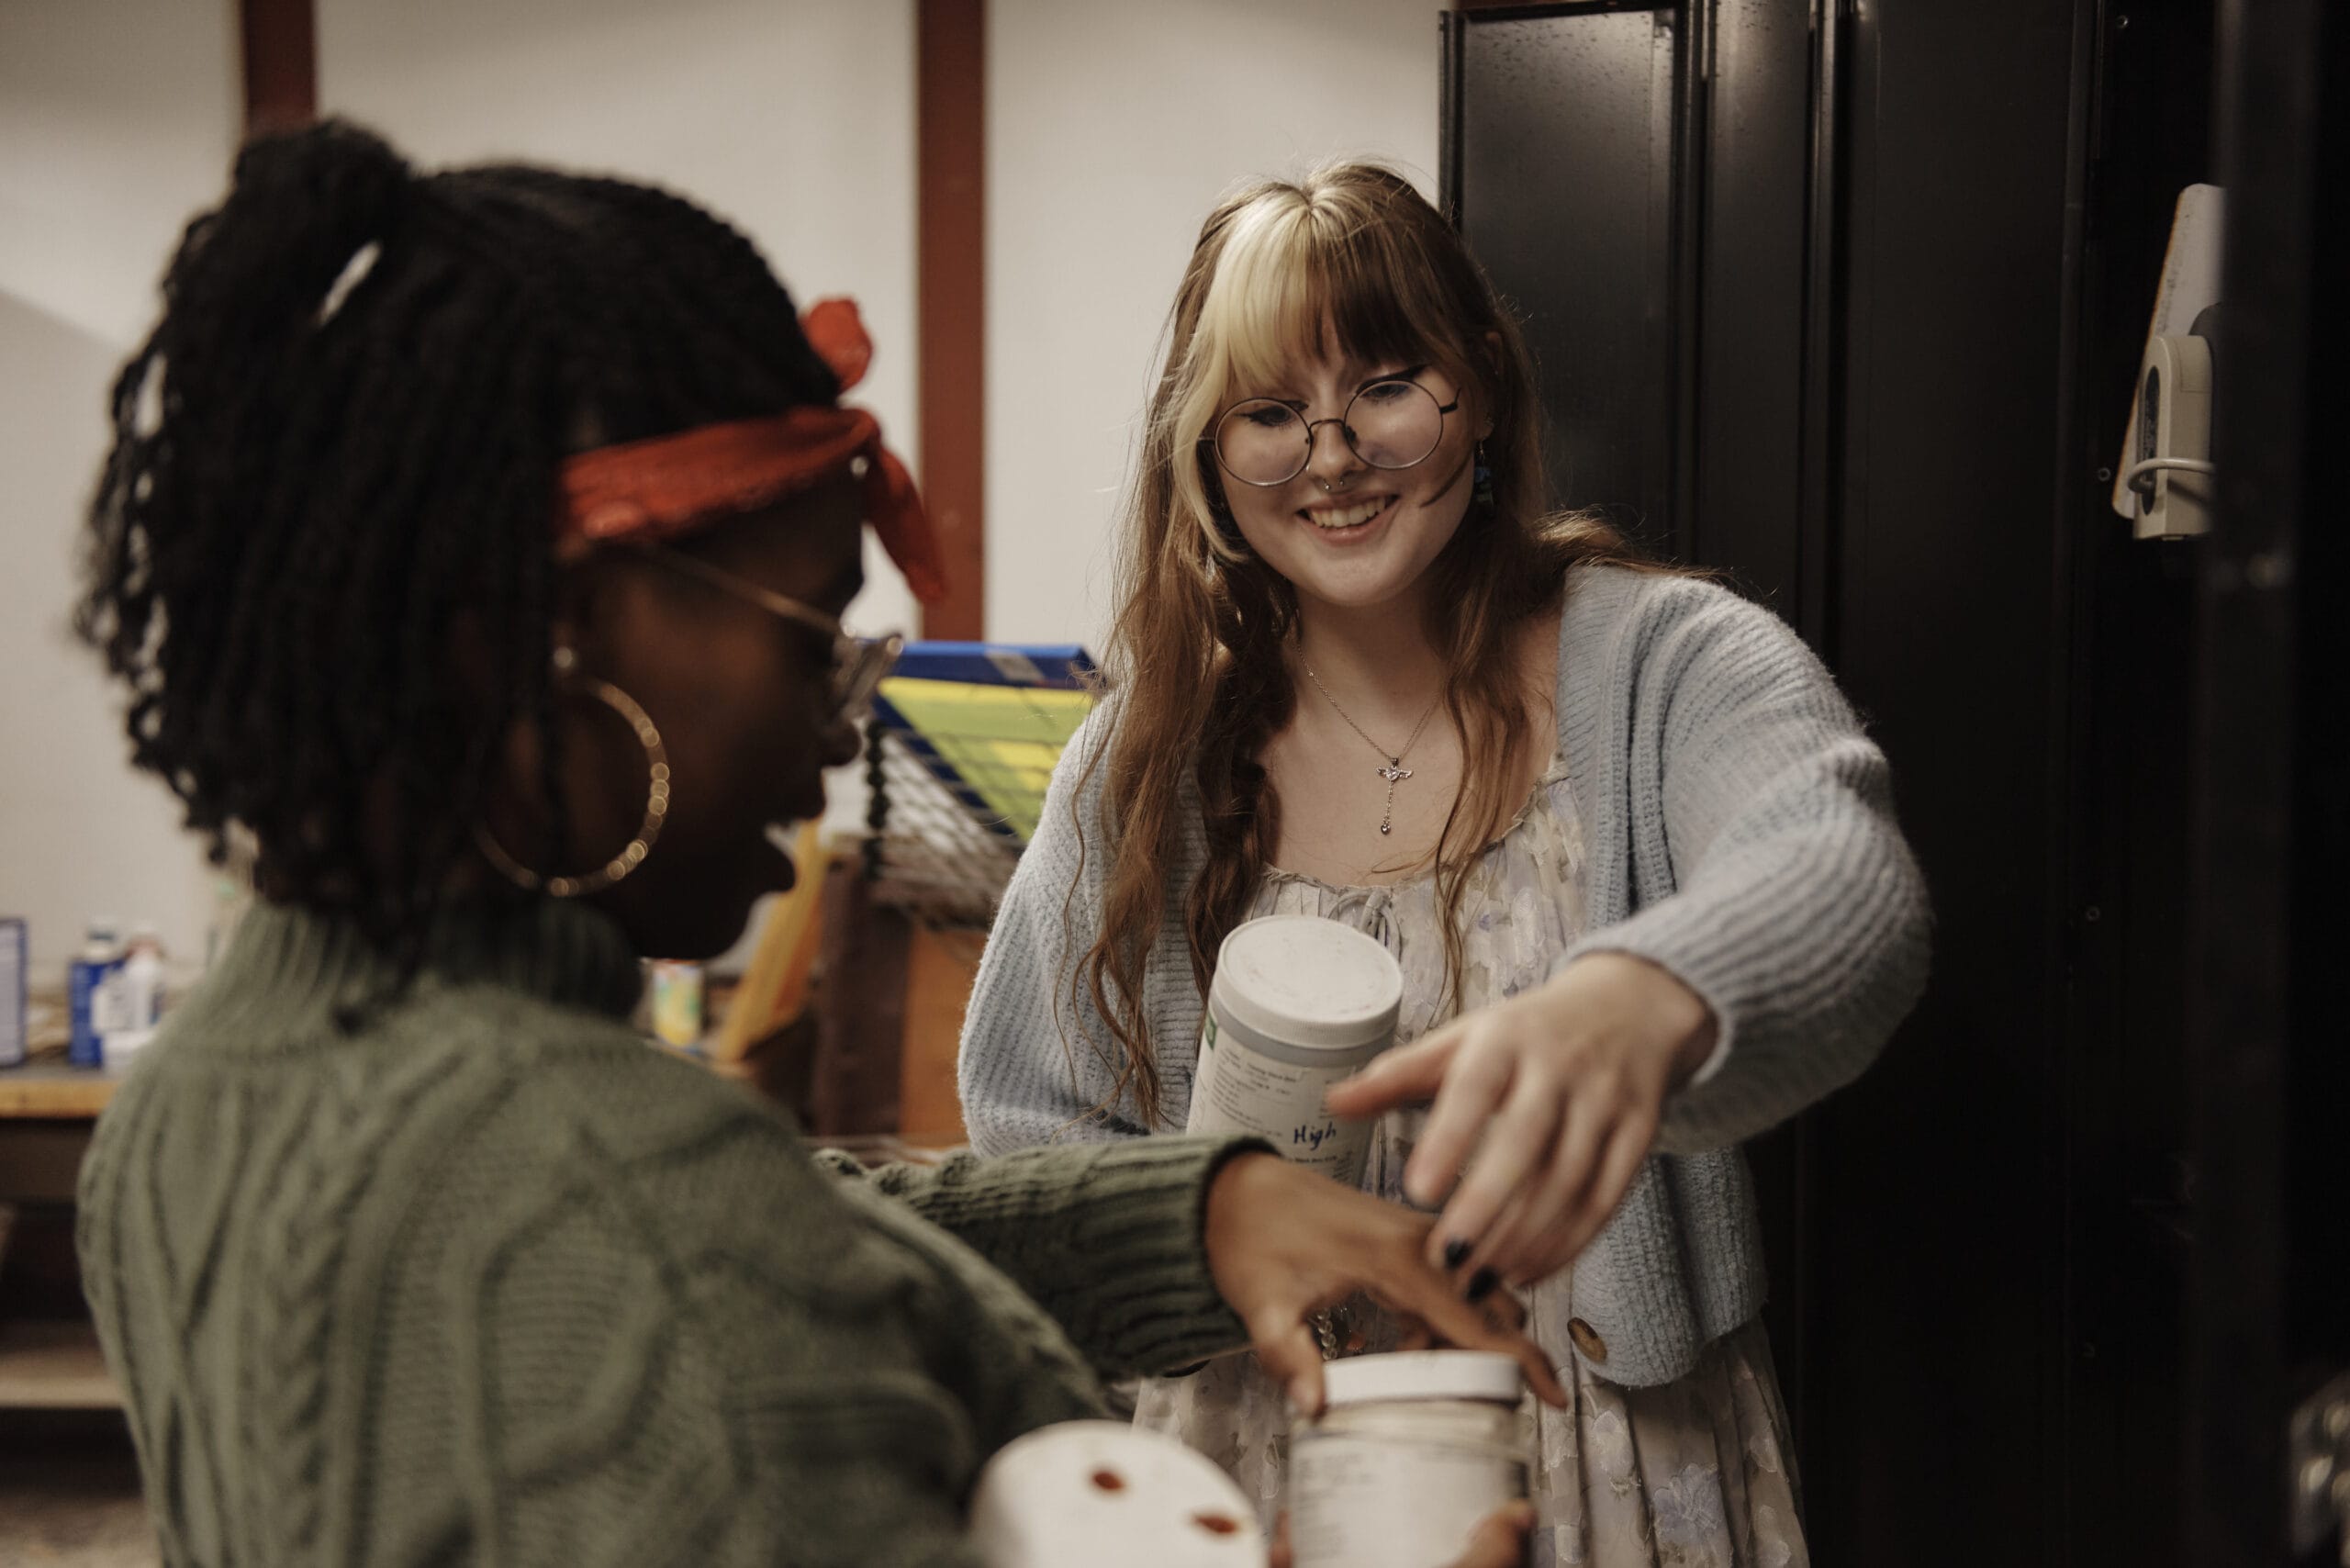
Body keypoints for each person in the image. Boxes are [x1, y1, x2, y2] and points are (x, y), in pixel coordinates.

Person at [71, 123, 1563, 1568]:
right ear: (563, 628)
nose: (838, 732)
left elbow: (793, 1217)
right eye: (813, 643)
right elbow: (691, 1244)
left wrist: (1199, 1208)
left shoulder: (200, 1098)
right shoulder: (646, 1238)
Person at [956, 162, 1931, 1566]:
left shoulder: (1664, 667)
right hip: (1257, 1470)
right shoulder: (1146, 758)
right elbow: (1027, 1128)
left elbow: (1845, 876)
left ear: (1480, 392)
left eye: (1388, 386)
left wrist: (1643, 1000)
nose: (1335, 455)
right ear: (1209, 461)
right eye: (1271, 415)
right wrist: (1212, 1255)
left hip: (1617, 1466)